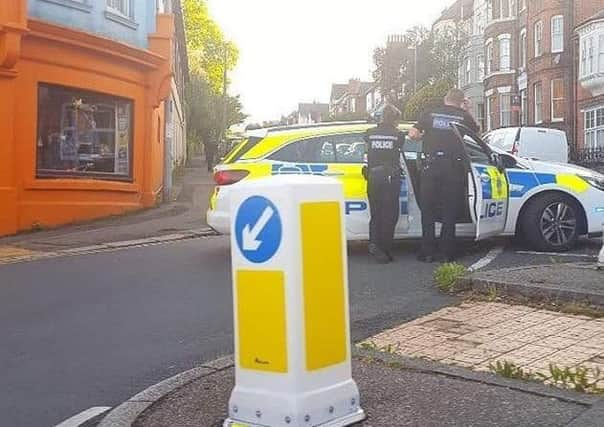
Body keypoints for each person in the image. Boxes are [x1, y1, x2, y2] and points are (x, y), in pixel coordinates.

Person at [408, 88, 480, 263]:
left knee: (428, 210)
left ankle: (427, 252)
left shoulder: (430, 113)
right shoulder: (463, 116)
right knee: (450, 211)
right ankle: (446, 253)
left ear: (445, 99)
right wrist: (468, 109)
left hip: (431, 167)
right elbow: (477, 133)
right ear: (461, 101)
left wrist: (422, 138)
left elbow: (412, 134)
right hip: (453, 168)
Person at [363, 104, 405, 264]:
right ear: (395, 119)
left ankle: (374, 243)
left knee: (376, 213)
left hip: (373, 176)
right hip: (389, 177)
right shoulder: (398, 135)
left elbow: (367, 151)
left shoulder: (369, 133)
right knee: (390, 214)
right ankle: (385, 249)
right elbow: (398, 150)